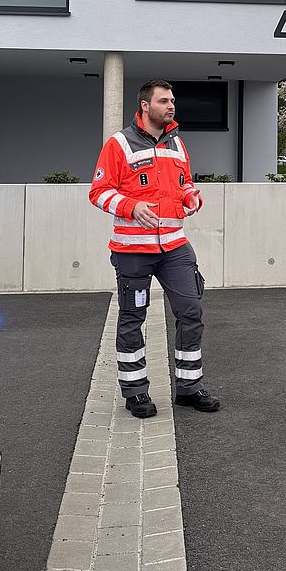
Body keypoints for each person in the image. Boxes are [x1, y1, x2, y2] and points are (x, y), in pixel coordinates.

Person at [89, 80, 219, 418]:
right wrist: (131, 207)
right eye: (164, 101)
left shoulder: (177, 142)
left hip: (174, 247)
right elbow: (99, 192)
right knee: (133, 318)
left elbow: (186, 184)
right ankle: (135, 393)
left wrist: (192, 197)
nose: (171, 106)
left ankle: (189, 388)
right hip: (133, 252)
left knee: (191, 312)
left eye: (172, 100)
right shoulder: (118, 144)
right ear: (145, 106)